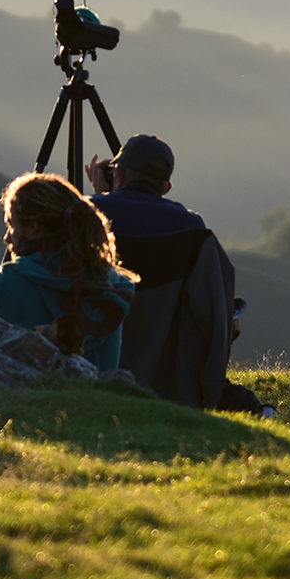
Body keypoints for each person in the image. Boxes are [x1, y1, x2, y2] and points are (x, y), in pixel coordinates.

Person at [85, 134, 266, 414]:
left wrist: (101, 198)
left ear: (117, 173)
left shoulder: (85, 216)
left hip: (89, 368)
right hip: (168, 384)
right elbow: (210, 310)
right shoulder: (191, 227)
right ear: (166, 187)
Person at [0, 172, 135, 371]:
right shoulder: (110, 288)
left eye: (11, 225)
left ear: (33, 228)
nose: (7, 238)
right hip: (89, 400)